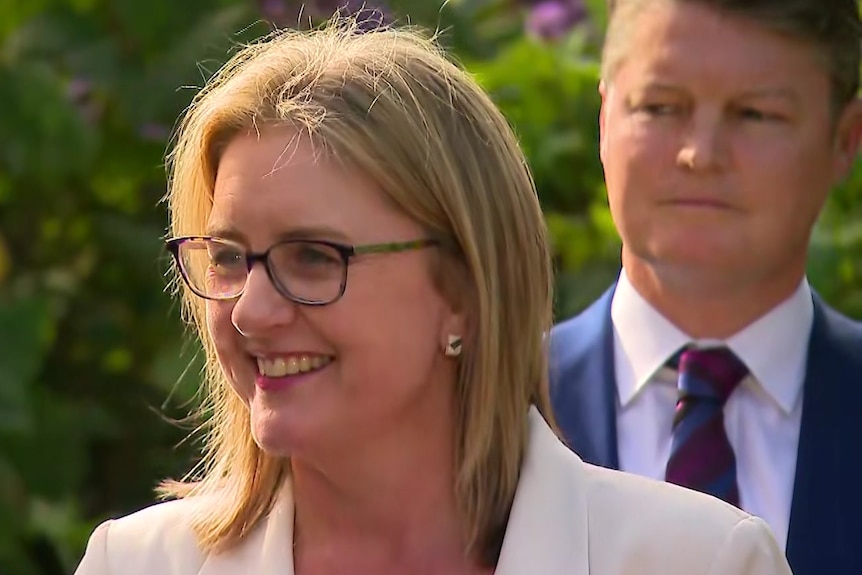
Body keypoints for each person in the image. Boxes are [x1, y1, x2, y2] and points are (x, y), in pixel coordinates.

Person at [74, 17, 791, 575]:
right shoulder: (140, 562)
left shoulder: (699, 559)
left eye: (315, 258)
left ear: (465, 290)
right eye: (228, 257)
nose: (252, 310)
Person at [550, 0, 862, 573]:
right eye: (662, 107)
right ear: (604, 121)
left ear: (845, 140)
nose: (700, 154)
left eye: (754, 115)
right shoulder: (484, 408)